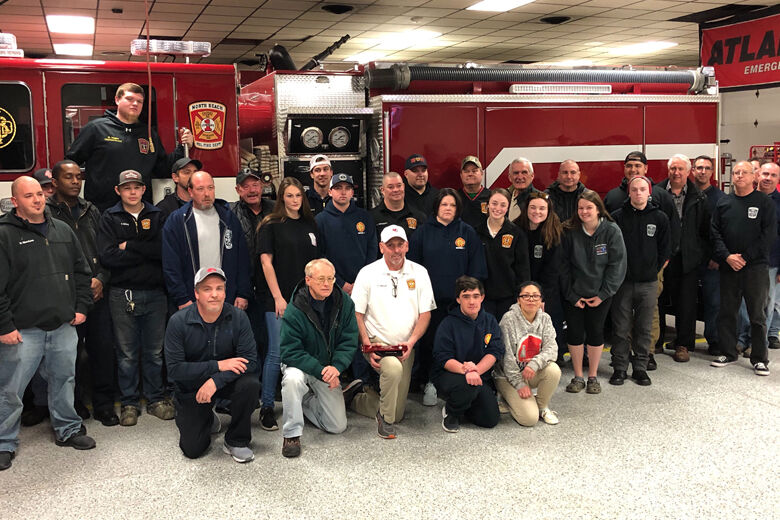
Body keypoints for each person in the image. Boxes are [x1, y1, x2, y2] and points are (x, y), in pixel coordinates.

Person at [0, 176, 95, 472]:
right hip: (22, 330)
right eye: (29, 196)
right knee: (11, 389)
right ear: (15, 201)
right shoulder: (4, 235)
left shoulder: (62, 229)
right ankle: (4, 442)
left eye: (39, 194)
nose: (37, 200)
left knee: (64, 380)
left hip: (62, 325)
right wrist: (4, 326)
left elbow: (82, 272)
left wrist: (81, 308)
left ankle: (67, 429)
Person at [98, 170, 173, 426]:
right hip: (122, 294)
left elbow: (163, 251)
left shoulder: (157, 215)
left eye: (137, 187)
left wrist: (129, 246)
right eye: (126, 187)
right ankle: (129, 402)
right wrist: (146, 252)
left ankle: (155, 399)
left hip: (155, 294)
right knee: (127, 353)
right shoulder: (109, 217)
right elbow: (107, 256)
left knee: (154, 352)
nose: (132, 191)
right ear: (118, 191)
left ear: (144, 190)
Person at [47, 159, 117, 426]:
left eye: (78, 177)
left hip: (97, 294)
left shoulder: (92, 210)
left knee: (102, 352)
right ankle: (74, 403)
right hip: (66, 298)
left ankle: (104, 405)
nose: (76, 182)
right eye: (68, 177)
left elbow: (106, 250)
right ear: (54, 182)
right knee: (69, 355)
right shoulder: (48, 213)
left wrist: (101, 278)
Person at [164, 267, 259, 462]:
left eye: (219, 288)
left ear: (225, 291)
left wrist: (215, 381)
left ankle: (236, 440)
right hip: (191, 386)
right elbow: (175, 369)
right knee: (192, 450)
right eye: (207, 289)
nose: (214, 294)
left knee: (250, 384)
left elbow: (249, 360)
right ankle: (207, 417)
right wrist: (217, 365)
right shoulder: (178, 322)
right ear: (196, 293)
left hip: (225, 382)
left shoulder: (239, 317)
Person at [349, 225, 435, 439]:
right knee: (393, 371)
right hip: (377, 342)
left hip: (405, 345)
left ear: (407, 246)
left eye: (400, 245)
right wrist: (367, 346)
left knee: (398, 413)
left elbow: (425, 314)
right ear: (381, 247)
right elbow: (357, 314)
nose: (396, 250)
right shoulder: (367, 273)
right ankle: (384, 421)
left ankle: (356, 397)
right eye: (390, 246)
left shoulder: (420, 272)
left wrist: (412, 341)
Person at [408, 188, 488, 406]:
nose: (448, 209)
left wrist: (468, 299)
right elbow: (412, 269)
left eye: (452, 205)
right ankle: (430, 382)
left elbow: (477, 270)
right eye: (444, 204)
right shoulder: (423, 232)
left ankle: (458, 381)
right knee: (430, 344)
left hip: (458, 305)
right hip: (429, 304)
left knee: (459, 345)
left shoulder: (467, 232)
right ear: (436, 207)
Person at [65, 82, 194, 212]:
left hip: (139, 210)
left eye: (139, 101)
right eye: (129, 99)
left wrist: (183, 147)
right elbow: (70, 162)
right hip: (101, 210)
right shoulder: (96, 128)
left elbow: (162, 168)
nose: (135, 104)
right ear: (117, 100)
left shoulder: (148, 133)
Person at [604, 151, 679, 369]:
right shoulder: (612, 197)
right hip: (622, 273)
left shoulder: (661, 197)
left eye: (638, 166)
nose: (633, 169)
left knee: (650, 315)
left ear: (646, 169)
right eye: (629, 165)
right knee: (622, 317)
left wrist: (660, 263)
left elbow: (671, 232)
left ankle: (648, 354)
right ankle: (623, 355)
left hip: (652, 271)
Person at [257, 177, 321, 432]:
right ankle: (267, 407)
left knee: (306, 349)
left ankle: (304, 402)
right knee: (276, 352)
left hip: (306, 300)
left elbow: (317, 264)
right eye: (290, 196)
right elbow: (266, 263)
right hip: (279, 299)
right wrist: (277, 297)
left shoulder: (310, 224)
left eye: (298, 196)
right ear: (281, 198)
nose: (295, 200)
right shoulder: (270, 225)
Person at [279, 258, 358, 458]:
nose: (326, 284)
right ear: (308, 280)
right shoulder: (295, 308)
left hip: (327, 367)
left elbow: (349, 340)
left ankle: (302, 402)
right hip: (300, 364)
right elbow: (289, 351)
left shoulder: (345, 303)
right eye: (321, 279)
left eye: (331, 279)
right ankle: (292, 434)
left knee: (337, 426)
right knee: (292, 380)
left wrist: (336, 368)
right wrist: (322, 370)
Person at [711, 161, 776, 376]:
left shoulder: (763, 203)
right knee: (727, 312)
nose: (739, 176)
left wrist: (745, 258)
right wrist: (727, 256)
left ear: (753, 176)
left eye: (744, 173)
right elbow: (715, 233)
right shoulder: (724, 202)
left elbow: (767, 235)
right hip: (729, 266)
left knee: (757, 314)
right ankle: (728, 352)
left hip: (755, 268)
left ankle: (759, 358)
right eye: (736, 172)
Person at [561, 189, 626, 394]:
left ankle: (593, 377)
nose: (584, 211)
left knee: (596, 333)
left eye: (589, 207)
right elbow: (562, 266)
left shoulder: (612, 231)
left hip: (600, 294)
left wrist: (603, 294)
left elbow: (617, 265)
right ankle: (578, 376)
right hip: (574, 294)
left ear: (599, 209)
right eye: (580, 208)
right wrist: (571, 295)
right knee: (575, 334)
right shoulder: (568, 230)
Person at [610, 176, 671, 387]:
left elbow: (665, 250)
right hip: (623, 283)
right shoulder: (617, 217)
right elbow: (612, 249)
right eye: (634, 189)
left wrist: (653, 271)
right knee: (621, 327)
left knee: (645, 327)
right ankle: (619, 367)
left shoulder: (660, 218)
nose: (638, 193)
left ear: (649, 192)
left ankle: (640, 368)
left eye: (642, 189)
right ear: (629, 192)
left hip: (648, 283)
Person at [162, 171, 251, 312]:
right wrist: (182, 298)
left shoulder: (228, 219)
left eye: (210, 188)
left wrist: (242, 293)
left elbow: (242, 259)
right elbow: (171, 264)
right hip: (192, 299)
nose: (207, 194)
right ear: (190, 191)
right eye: (200, 189)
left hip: (227, 298)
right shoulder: (177, 221)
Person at [656, 154, 710, 362]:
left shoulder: (699, 197)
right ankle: (657, 341)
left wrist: (699, 254)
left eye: (681, 169)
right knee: (658, 301)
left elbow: (706, 230)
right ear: (668, 171)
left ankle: (683, 345)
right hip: (662, 257)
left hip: (687, 259)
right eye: (673, 169)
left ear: (689, 172)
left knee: (686, 303)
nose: (676, 173)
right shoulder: (657, 193)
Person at [432, 276, 503, 433]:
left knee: (490, 420)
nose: (472, 301)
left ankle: (464, 404)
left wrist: (475, 370)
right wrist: (467, 370)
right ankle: (451, 412)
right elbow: (443, 358)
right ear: (458, 299)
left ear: (482, 298)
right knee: (467, 386)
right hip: (451, 375)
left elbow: (495, 351)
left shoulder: (490, 321)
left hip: (478, 375)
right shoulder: (448, 324)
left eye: (476, 296)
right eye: (466, 296)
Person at [230, 168, 275, 389]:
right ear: (238, 190)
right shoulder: (230, 214)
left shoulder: (276, 211)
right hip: (245, 288)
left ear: (263, 186)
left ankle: (272, 385)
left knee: (272, 340)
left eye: (255, 185)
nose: (252, 190)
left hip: (272, 288)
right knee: (249, 340)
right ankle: (252, 386)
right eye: (245, 186)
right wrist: (241, 291)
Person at [494, 281, 561, 426]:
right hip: (507, 376)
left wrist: (534, 364)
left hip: (530, 371)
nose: (531, 299)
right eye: (526, 296)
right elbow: (506, 357)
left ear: (541, 300)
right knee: (529, 419)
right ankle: (506, 398)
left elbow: (552, 349)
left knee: (553, 370)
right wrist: (519, 384)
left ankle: (542, 407)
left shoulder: (545, 319)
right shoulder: (508, 319)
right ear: (518, 300)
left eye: (535, 296)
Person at [516, 192, 566, 364]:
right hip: (521, 290)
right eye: (533, 207)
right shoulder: (516, 229)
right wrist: (524, 293)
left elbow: (553, 270)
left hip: (547, 292)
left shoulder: (554, 232)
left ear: (548, 210)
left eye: (542, 208)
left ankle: (552, 361)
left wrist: (539, 297)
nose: (537, 211)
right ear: (526, 209)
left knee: (549, 327)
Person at [736, 162, 780, 356]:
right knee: (745, 303)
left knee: (766, 304)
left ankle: (758, 342)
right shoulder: (746, 198)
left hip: (771, 262)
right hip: (746, 261)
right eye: (764, 174)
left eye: (773, 175)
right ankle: (743, 339)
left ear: (778, 179)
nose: (768, 178)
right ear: (757, 175)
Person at [315, 173, 378, 296]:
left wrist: (361, 280)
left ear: (352, 193)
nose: (343, 192)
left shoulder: (365, 217)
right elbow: (320, 254)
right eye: (338, 188)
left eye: (347, 188)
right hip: (332, 287)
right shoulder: (320, 220)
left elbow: (372, 249)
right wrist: (340, 283)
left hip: (363, 285)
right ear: (330, 192)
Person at [475, 188, 530, 320]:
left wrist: (522, 296)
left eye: (503, 205)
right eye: (494, 203)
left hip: (508, 297)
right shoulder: (476, 232)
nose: (497, 208)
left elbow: (523, 269)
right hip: (483, 298)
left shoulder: (516, 234)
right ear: (487, 205)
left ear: (508, 207)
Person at [692, 155, 725, 355]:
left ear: (712, 172)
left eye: (706, 168)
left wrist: (718, 257)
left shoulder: (721, 199)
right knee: (685, 302)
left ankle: (714, 340)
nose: (702, 171)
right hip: (688, 259)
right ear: (693, 171)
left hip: (712, 260)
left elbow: (724, 231)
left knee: (713, 302)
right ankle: (684, 340)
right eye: (699, 168)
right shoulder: (687, 195)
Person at [371, 171, 426, 240]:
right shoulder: (371, 218)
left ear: (403, 186)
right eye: (390, 187)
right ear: (382, 190)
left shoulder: (419, 217)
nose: (396, 190)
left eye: (399, 186)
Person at [459, 155, 491, 230]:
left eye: (474, 171)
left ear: (482, 173)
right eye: (466, 171)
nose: (470, 174)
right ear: (461, 175)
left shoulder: (491, 197)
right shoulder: (455, 198)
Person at [507, 157, 541, 222]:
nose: (520, 177)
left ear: (532, 176)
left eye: (524, 172)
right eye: (516, 173)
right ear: (510, 177)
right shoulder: (504, 197)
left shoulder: (541, 200)